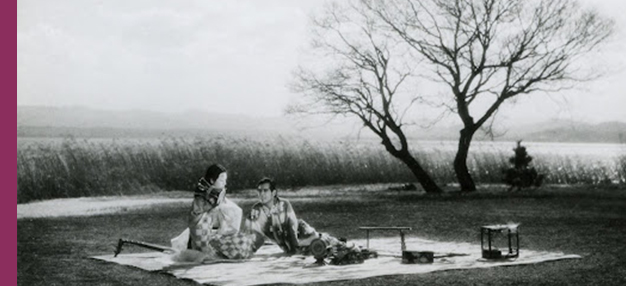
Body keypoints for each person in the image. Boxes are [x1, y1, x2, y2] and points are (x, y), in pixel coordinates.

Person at [186, 164, 242, 255]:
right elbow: (195, 221)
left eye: (225, 180)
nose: (224, 183)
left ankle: (217, 243)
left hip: (212, 229)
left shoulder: (218, 192)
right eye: (221, 180)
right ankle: (204, 248)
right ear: (212, 180)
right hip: (200, 230)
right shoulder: (201, 196)